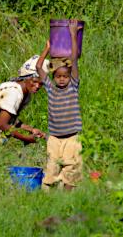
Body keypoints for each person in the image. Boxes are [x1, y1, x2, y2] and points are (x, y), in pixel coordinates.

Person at [36, 19, 83, 190]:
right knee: (52, 168)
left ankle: (67, 198)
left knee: (72, 167)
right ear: (54, 77)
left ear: (70, 76)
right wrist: (47, 49)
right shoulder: (50, 89)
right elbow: (39, 67)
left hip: (72, 136)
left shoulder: (73, 87)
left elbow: (74, 60)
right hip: (54, 137)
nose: (62, 79)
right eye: (58, 76)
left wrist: (72, 34)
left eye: (65, 76)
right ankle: (48, 195)